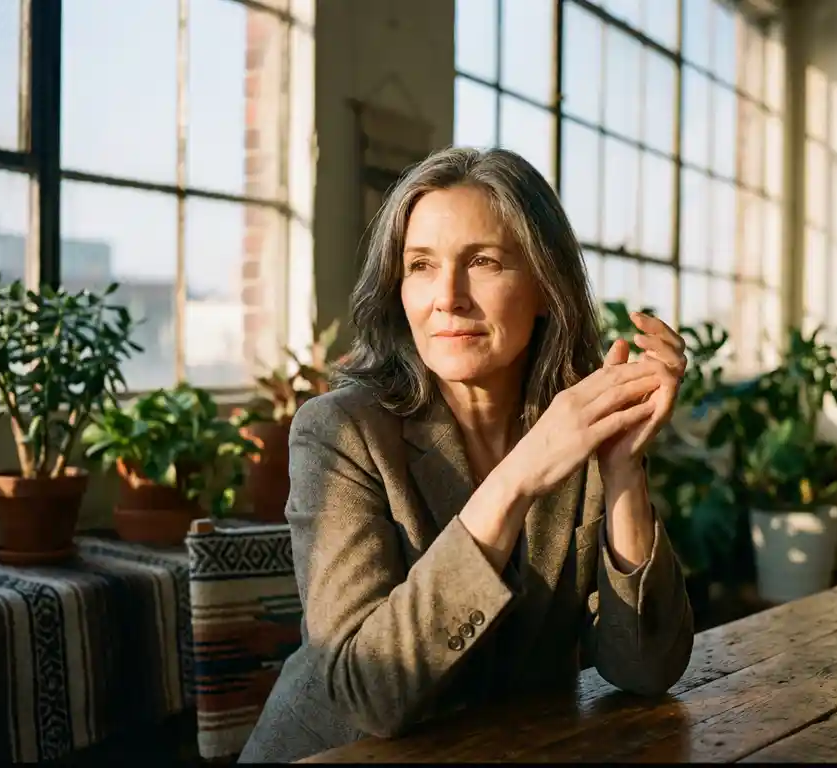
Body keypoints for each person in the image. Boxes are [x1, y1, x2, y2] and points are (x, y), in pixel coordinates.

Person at [239, 147, 694, 763]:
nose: (447, 298)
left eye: (482, 261)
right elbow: (366, 693)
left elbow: (648, 668)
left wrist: (621, 470)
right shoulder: (340, 432)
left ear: (544, 287)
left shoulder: (578, 426)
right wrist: (517, 479)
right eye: (421, 265)